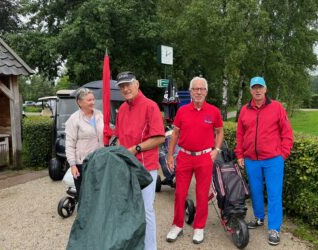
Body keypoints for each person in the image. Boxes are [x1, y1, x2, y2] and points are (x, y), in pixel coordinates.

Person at [235, 76, 293, 246]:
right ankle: (259, 218)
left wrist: (283, 154)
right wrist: (240, 154)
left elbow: (287, 133)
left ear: (266, 89)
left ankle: (274, 228)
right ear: (250, 90)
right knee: (255, 191)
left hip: (273, 159)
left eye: (260, 87)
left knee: (275, 194)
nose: (258, 90)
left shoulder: (277, 107)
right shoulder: (245, 110)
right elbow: (240, 134)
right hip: (252, 159)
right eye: (254, 87)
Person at [166, 77, 224, 244]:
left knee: (201, 194)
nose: (198, 92)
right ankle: (177, 225)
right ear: (190, 91)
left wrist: (217, 150)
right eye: (195, 89)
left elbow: (220, 131)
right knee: (179, 193)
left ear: (206, 92)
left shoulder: (214, 111)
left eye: (201, 89)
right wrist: (170, 155)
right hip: (184, 157)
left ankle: (199, 227)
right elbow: (175, 134)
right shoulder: (182, 111)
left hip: (204, 158)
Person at [114, 71, 165, 250]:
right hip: (126, 166)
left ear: (137, 84)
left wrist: (135, 149)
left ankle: (150, 248)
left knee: (145, 210)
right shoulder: (122, 109)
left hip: (145, 167)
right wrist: (120, 153)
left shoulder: (150, 106)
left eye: (128, 84)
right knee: (128, 208)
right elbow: (119, 137)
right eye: (122, 86)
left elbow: (159, 137)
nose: (125, 89)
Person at [65, 87, 104, 197]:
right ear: (80, 102)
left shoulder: (99, 115)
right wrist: (73, 165)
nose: (93, 102)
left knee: (98, 192)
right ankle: (82, 213)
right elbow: (69, 145)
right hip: (83, 163)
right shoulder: (74, 119)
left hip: (99, 160)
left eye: (93, 99)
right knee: (84, 195)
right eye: (89, 100)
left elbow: (106, 132)